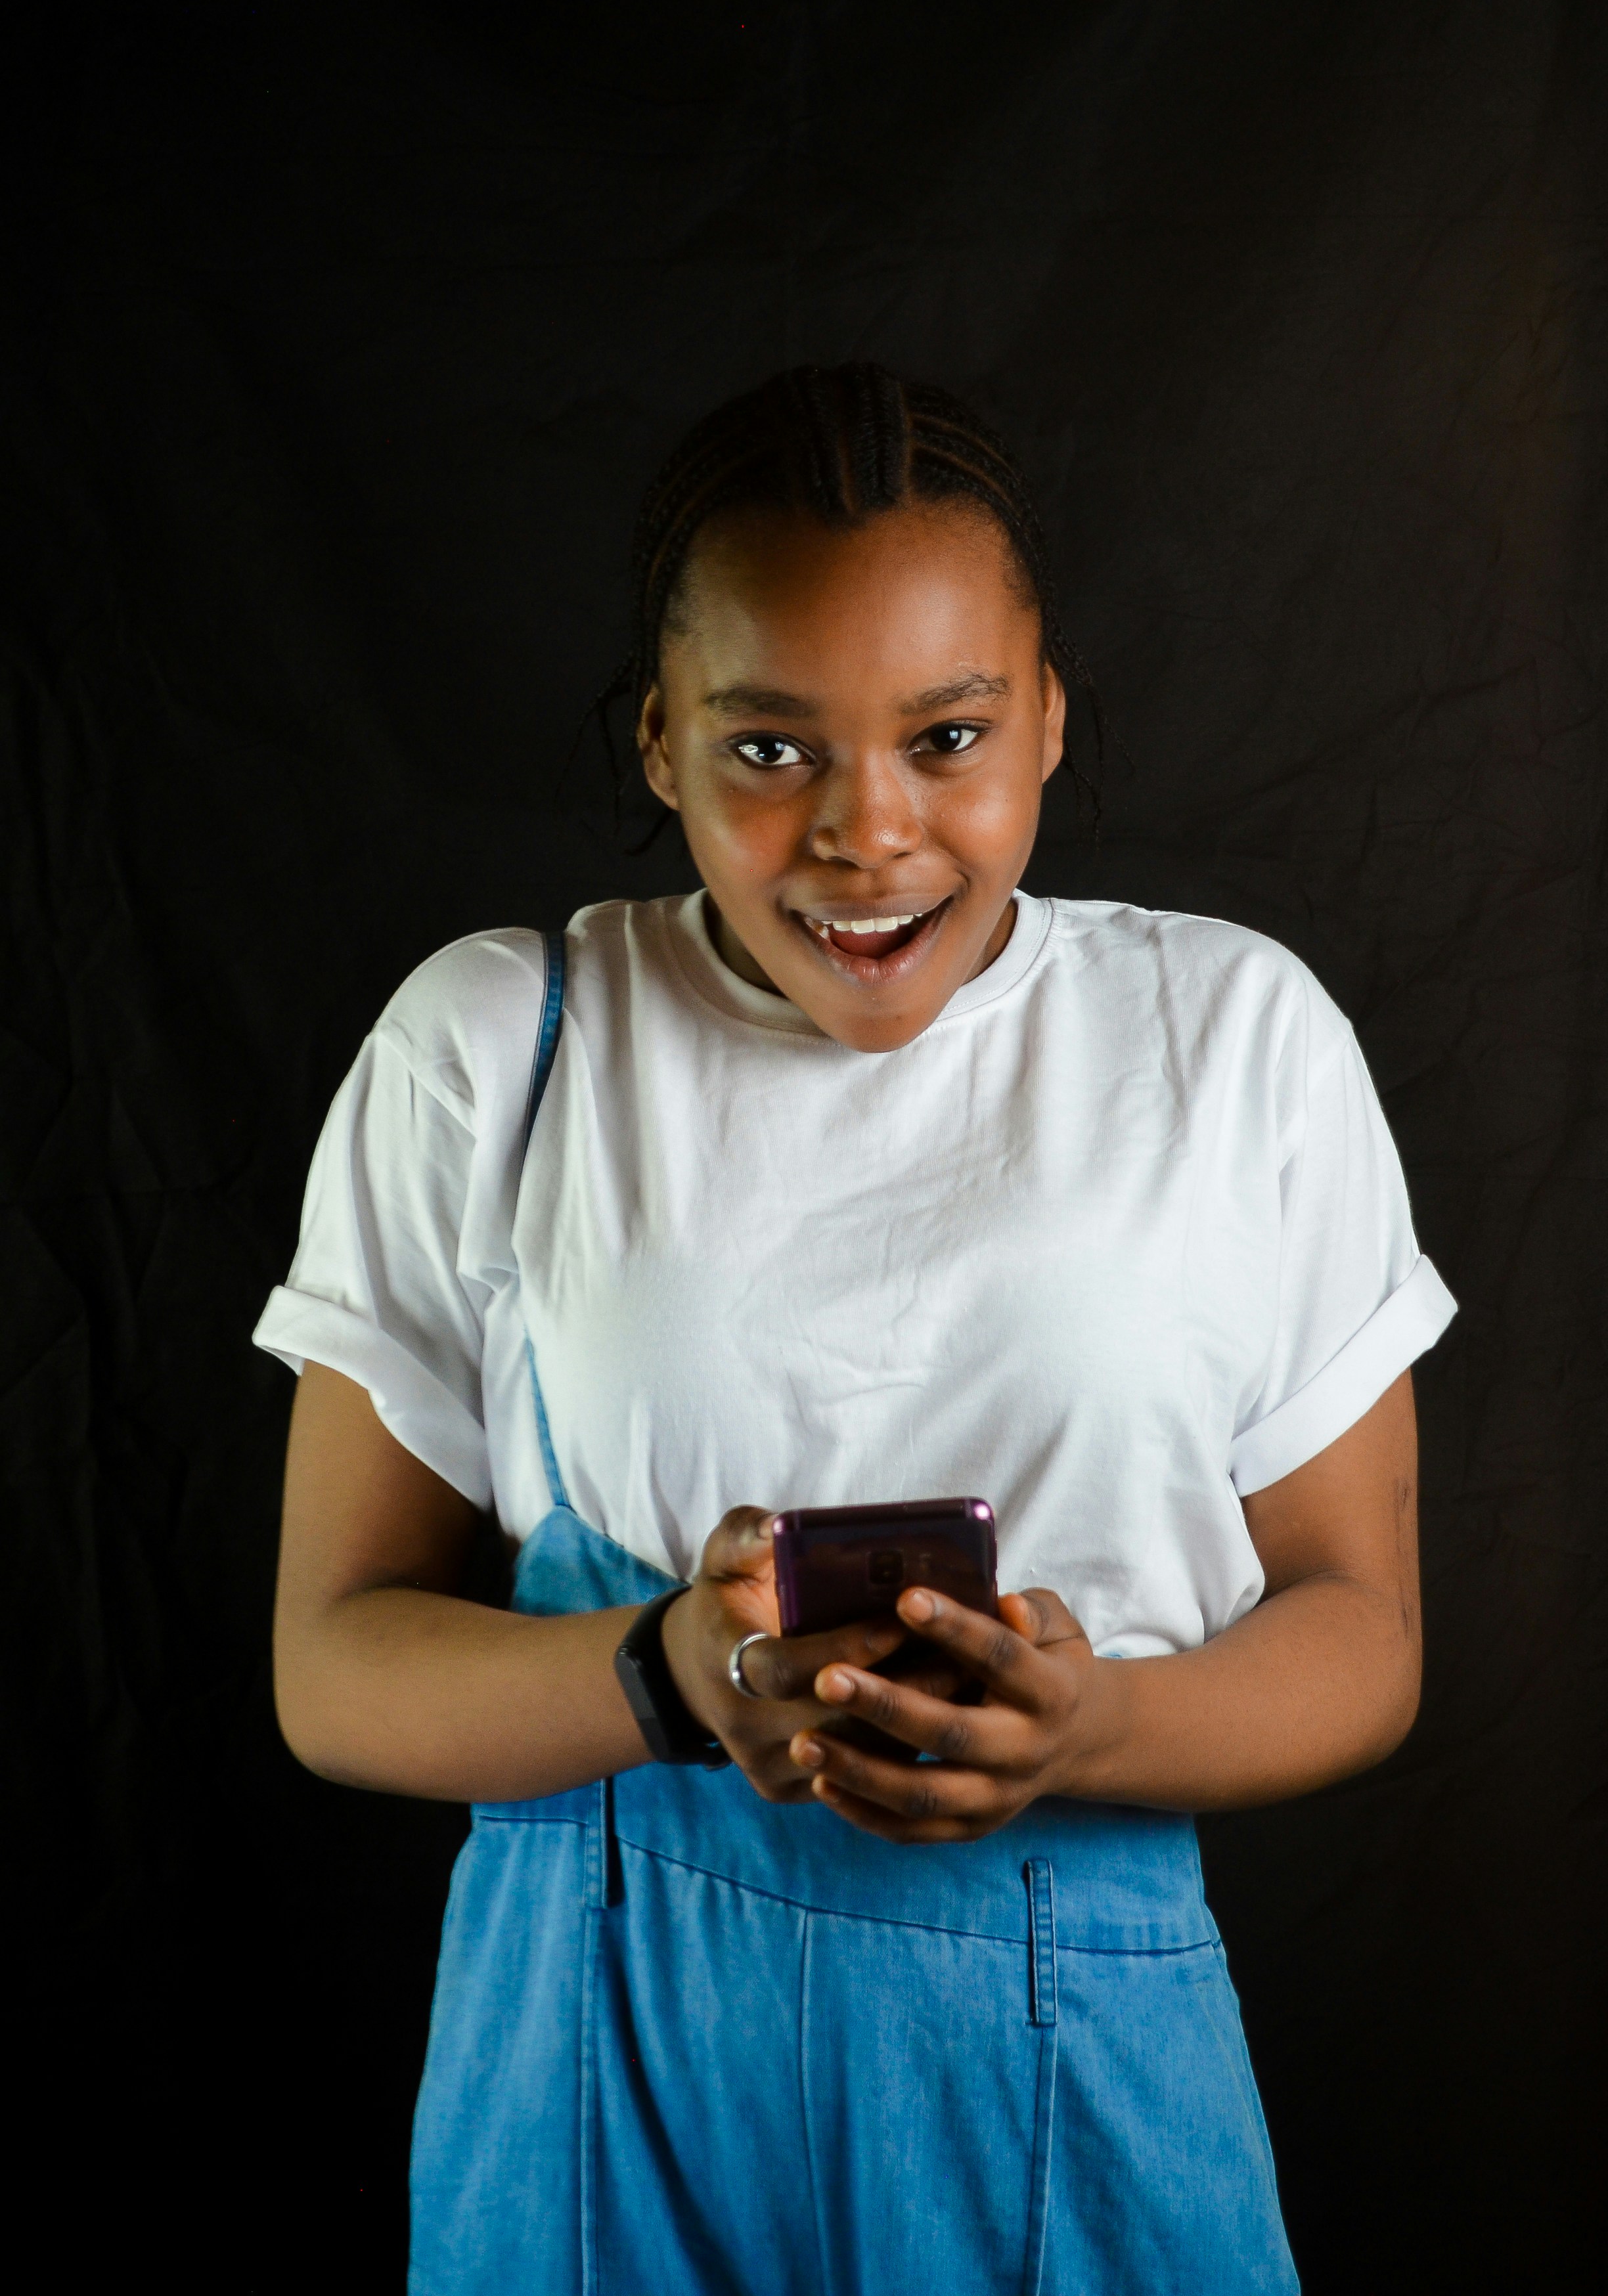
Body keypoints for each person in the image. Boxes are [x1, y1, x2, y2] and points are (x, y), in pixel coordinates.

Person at [256, 363, 1455, 2295]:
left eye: (949, 734)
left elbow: (1364, 1630)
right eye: (768, 749)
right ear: (659, 741)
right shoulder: (503, 1043)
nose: (865, 832)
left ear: (1051, 719)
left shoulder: (1231, 1042)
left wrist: (1096, 1725)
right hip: (596, 2044)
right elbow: (332, 1669)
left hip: (1081, 2043)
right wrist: (659, 1675)